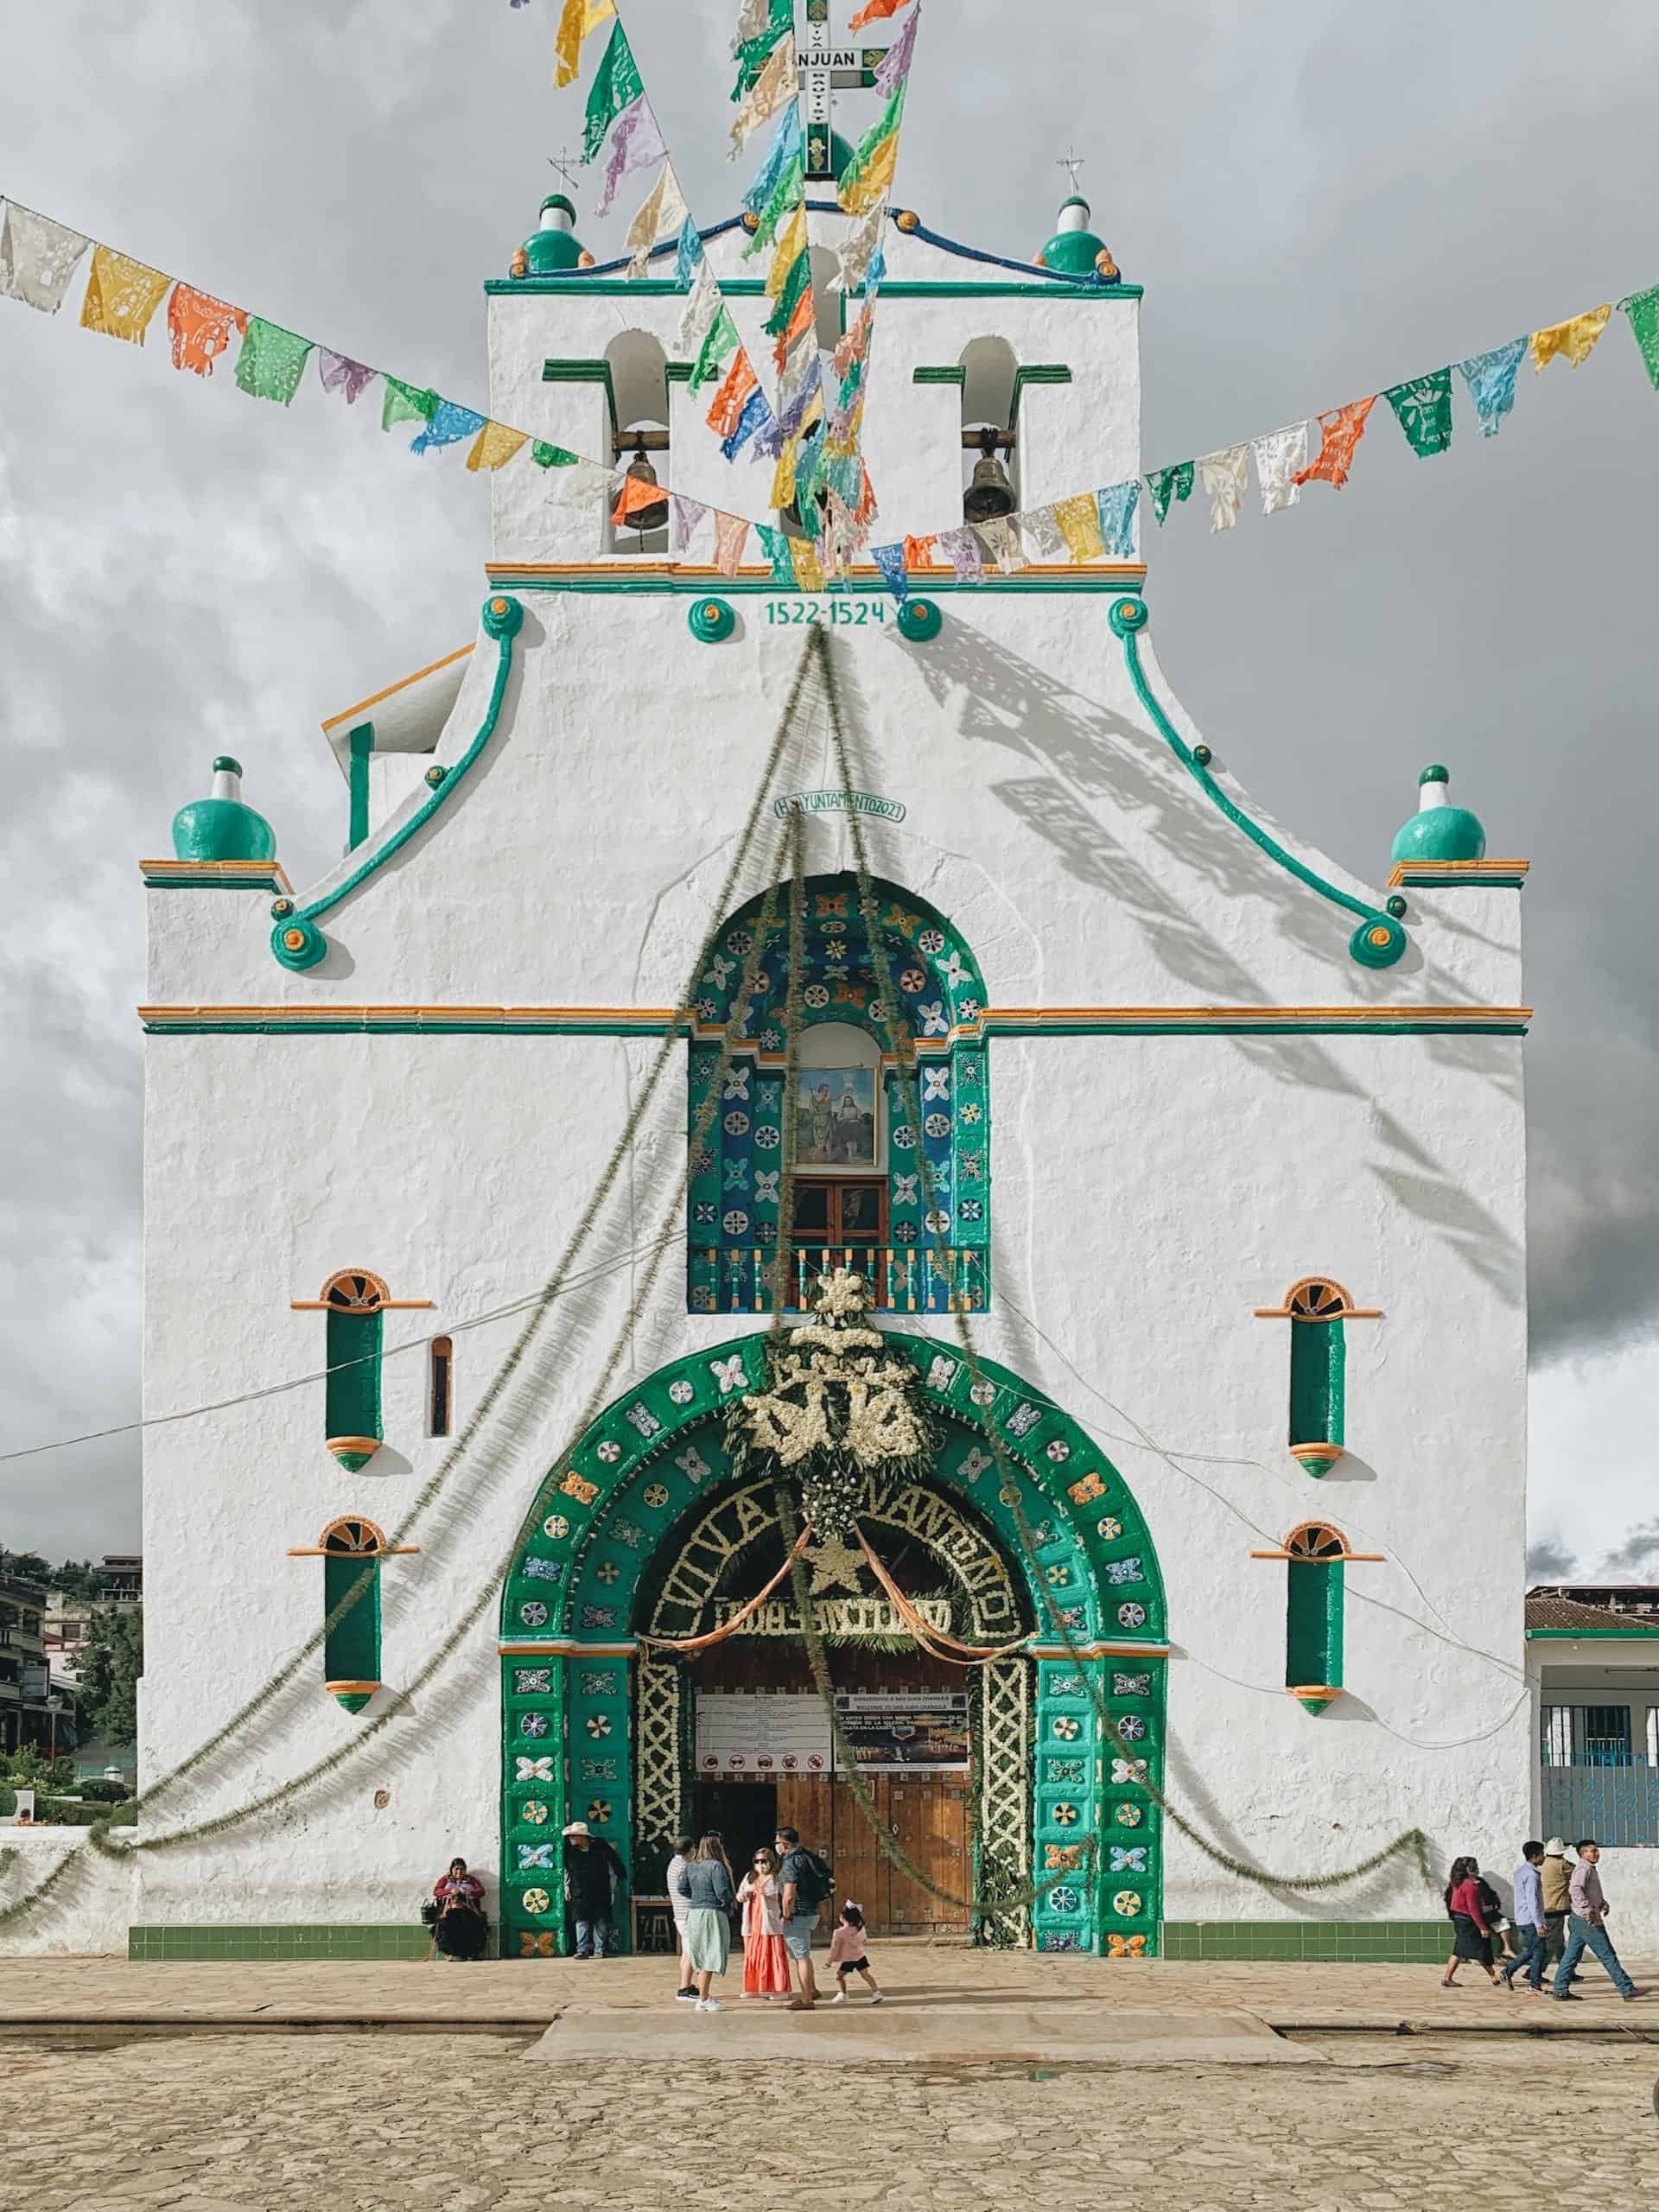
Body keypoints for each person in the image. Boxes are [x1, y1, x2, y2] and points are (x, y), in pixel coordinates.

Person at [1549, 1839, 1643, 2002]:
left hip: (1579, 1919)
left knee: (1571, 1956)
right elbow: (1575, 1889)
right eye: (1591, 1851)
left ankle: (1560, 1989)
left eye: (1596, 1851)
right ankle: (1626, 1988)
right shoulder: (1583, 1868)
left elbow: (1589, 1891)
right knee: (1607, 1954)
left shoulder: (1589, 1868)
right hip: (1587, 1920)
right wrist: (1588, 1908)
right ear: (1582, 1854)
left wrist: (1601, 1903)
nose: (1596, 1853)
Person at [674, 1833, 736, 2012]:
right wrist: (730, 1902)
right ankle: (704, 1998)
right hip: (712, 1912)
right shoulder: (716, 1866)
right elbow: (722, 1891)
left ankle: (704, 1996)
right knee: (711, 1953)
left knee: (700, 1954)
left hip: (694, 1913)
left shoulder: (692, 1866)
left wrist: (697, 1897)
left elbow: (682, 1888)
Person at [776, 1824, 831, 2012]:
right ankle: (812, 1989)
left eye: (778, 1843)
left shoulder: (790, 1862)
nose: (777, 1847)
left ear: (784, 1844)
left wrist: (786, 1914)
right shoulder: (806, 1856)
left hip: (797, 1914)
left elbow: (789, 1894)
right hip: (811, 1911)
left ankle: (806, 1999)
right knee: (803, 1954)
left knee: (801, 1957)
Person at [563, 1819, 626, 1959]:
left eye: (574, 1835)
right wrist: (566, 1887)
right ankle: (582, 1950)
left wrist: (613, 1887)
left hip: (600, 1889)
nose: (571, 1838)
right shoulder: (570, 1851)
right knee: (581, 1919)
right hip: (579, 1890)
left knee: (600, 1919)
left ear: (583, 1836)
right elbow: (566, 1870)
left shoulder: (600, 1847)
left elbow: (612, 1866)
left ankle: (600, 1949)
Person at [737, 1847, 792, 1999]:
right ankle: (752, 1987)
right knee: (753, 1954)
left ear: (771, 1862)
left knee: (774, 1955)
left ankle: (780, 1989)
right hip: (752, 1922)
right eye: (757, 1861)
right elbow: (739, 1894)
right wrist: (743, 1896)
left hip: (770, 1922)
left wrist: (766, 1894)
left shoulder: (777, 1877)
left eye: (764, 1861)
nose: (761, 1864)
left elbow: (782, 1895)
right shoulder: (749, 1877)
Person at [1440, 1854, 1499, 1986]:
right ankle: (1494, 1976)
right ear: (1468, 1869)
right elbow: (1473, 1909)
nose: (1477, 1869)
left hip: (1459, 1919)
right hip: (1469, 1921)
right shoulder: (1470, 1886)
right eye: (1474, 1867)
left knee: (1459, 1950)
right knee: (1481, 1950)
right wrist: (1482, 1927)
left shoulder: (1457, 1883)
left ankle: (1447, 1978)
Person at [1498, 1840, 1548, 1993]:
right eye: (1542, 1854)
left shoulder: (1521, 1871)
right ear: (1534, 1856)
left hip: (1523, 1918)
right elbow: (1532, 1900)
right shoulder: (1532, 1875)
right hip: (1531, 1920)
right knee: (1536, 1951)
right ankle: (1525, 1980)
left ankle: (1530, 1981)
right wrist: (1539, 1923)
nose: (1544, 1857)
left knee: (1533, 1950)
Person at [431, 1857, 488, 1961]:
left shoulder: (471, 1880)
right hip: (449, 1911)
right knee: (448, 1926)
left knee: (471, 1925)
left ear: (465, 1870)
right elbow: (437, 1891)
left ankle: (471, 1952)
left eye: (461, 1869)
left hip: (468, 1911)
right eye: (456, 1869)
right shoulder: (445, 1879)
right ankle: (452, 1953)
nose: (459, 1871)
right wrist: (450, 1891)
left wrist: (469, 1892)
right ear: (451, 1870)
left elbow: (481, 1891)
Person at [827, 1900, 883, 2005]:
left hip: (849, 1959)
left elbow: (834, 1949)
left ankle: (843, 1994)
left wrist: (829, 1962)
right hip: (860, 1956)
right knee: (866, 1975)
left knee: (839, 1976)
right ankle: (877, 1993)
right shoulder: (860, 1929)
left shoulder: (839, 1933)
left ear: (843, 1918)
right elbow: (864, 1941)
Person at [665, 1833, 698, 2004]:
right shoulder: (684, 1867)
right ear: (690, 1849)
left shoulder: (674, 1864)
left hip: (680, 1913)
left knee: (687, 1951)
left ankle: (686, 1984)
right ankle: (684, 1988)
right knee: (692, 1952)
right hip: (687, 1913)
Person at [1540, 1837, 1574, 1975]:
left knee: (1559, 1942)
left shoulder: (1544, 1863)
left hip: (1545, 1906)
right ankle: (1536, 1971)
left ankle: (1567, 1972)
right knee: (1552, 1942)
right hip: (1557, 1906)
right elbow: (1578, 1871)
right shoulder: (1562, 1864)